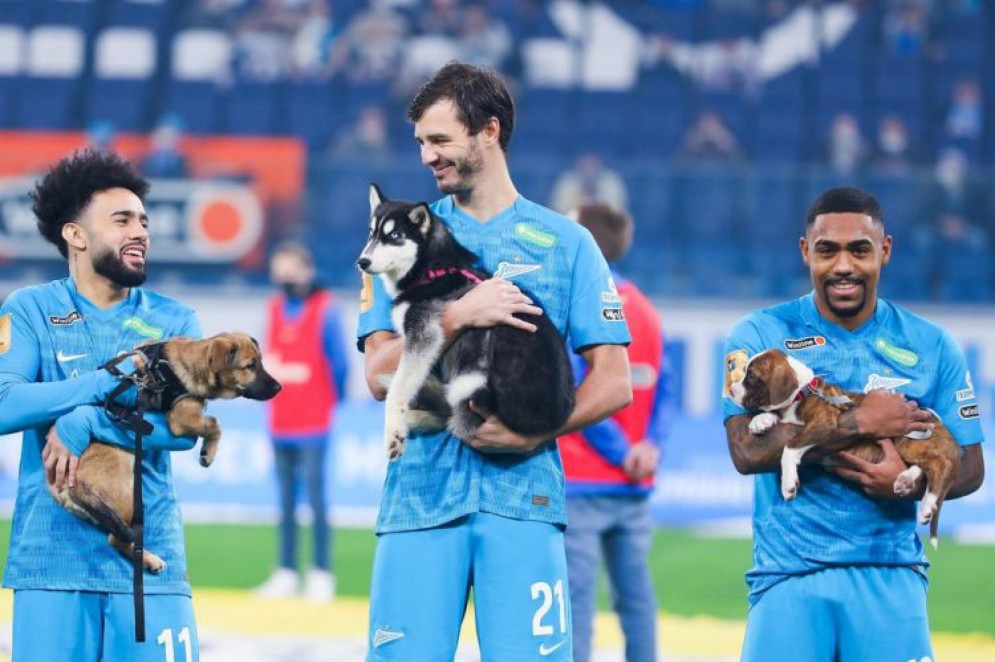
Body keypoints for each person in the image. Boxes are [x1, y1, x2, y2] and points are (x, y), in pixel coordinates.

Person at [357, 62, 633, 661]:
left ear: (488, 131)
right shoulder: (401, 237)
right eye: (421, 143)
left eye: (440, 140)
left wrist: (536, 427)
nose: (427, 157)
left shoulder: (567, 243)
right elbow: (379, 376)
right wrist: (456, 316)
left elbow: (615, 382)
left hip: (524, 502)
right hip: (419, 501)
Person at [722, 187, 985, 662]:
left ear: (884, 251)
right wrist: (858, 421)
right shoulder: (759, 335)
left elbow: (970, 464)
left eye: (859, 249)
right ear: (806, 252)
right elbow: (746, 451)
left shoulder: (934, 345)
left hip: (892, 576)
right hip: (788, 579)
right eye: (828, 250)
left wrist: (912, 483)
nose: (843, 265)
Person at [0, 149, 203, 660]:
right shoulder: (29, 308)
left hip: (149, 566)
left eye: (144, 221)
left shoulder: (174, 321)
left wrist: (88, 419)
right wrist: (98, 385)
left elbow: (183, 430)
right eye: (122, 220)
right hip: (50, 562)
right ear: (76, 234)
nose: (140, 231)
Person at [560, 203, 673, 662]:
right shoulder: (645, 310)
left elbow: (577, 391)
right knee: (638, 600)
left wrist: (622, 450)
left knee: (577, 603)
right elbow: (666, 389)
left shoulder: (577, 305)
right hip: (633, 482)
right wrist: (650, 448)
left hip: (584, 477)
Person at [254, 242, 349, 602]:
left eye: (290, 269)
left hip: (314, 420)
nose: (284, 277)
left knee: (316, 498)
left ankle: (322, 572)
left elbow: (339, 364)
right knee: (285, 502)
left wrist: (328, 402)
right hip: (280, 419)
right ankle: (287, 570)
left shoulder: (326, 310)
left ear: (307, 270)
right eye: (279, 270)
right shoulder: (275, 308)